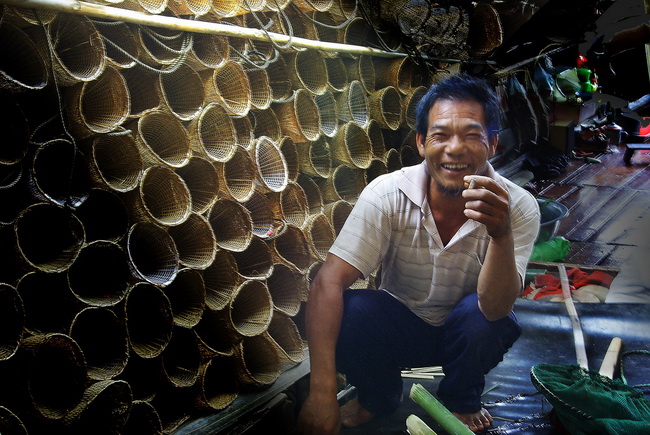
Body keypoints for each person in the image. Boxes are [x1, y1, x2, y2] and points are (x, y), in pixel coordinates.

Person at [296, 73, 540, 434]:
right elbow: (327, 282)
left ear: (492, 145)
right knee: (352, 310)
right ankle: (378, 396)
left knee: (482, 318)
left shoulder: (516, 206)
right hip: (403, 330)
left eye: (472, 135)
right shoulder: (387, 195)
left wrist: (500, 234)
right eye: (441, 135)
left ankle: (462, 399)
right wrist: (321, 394)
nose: (455, 149)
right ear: (422, 143)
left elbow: (496, 308)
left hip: (466, 337)